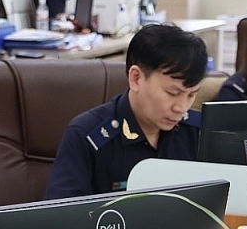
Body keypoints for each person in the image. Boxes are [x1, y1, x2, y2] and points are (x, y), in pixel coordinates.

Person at [43, 24, 208, 200]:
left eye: (191, 95)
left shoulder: (200, 133)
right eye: (172, 93)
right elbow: (61, 220)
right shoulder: (87, 136)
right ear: (136, 78)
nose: (181, 108)